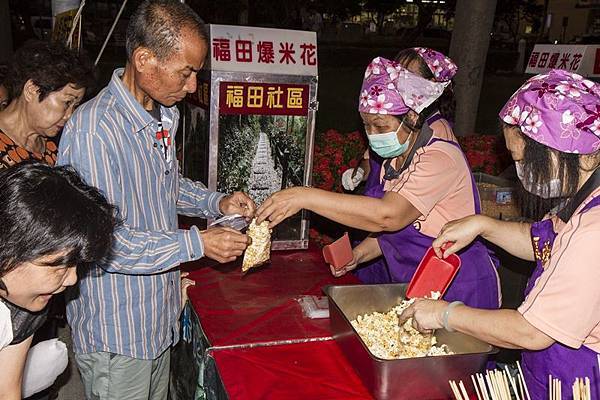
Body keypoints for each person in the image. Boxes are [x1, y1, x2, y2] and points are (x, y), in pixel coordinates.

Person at [57, 1, 254, 398]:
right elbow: (105, 243)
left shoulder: (162, 114)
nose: (193, 86)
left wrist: (215, 203)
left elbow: (164, 183)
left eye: (197, 73)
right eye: (186, 72)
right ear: (145, 59)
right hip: (119, 331)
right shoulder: (95, 132)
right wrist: (198, 242)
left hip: (156, 314)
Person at [399, 70, 600, 397]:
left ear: (581, 154)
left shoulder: (595, 232)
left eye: (526, 161)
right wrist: (484, 225)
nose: (522, 174)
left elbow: (532, 332)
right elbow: (543, 242)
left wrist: (446, 313)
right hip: (550, 372)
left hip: (582, 379)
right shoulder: (581, 195)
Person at [257, 48, 500, 309]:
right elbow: (401, 233)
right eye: (366, 125)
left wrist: (304, 196)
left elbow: (389, 216)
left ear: (412, 117)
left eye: (381, 127)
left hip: (460, 290)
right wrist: (360, 254)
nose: (373, 135)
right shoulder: (395, 158)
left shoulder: (439, 158)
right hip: (417, 287)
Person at [0, 162, 117, 400]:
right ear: (10, 249)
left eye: (75, 265)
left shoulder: (25, 306)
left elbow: (6, 388)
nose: (72, 279)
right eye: (58, 265)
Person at [0, 41, 93, 169]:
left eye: (75, 105)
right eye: (67, 102)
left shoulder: (56, 146)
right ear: (32, 90)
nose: (70, 115)